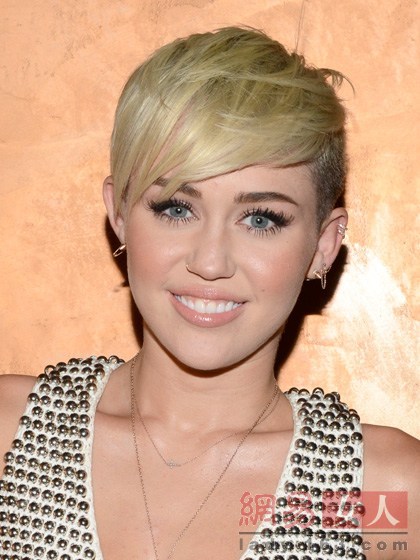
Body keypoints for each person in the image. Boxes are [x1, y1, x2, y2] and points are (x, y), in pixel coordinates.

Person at [0, 26, 419, 560]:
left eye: (261, 219)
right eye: (177, 208)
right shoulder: (9, 434)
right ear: (119, 214)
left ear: (323, 245)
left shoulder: (381, 492)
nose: (210, 262)